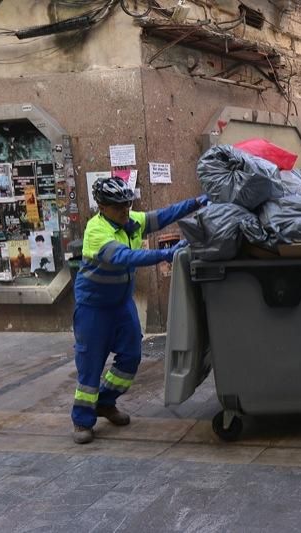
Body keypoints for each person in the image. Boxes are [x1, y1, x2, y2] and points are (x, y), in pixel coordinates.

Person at [71, 176, 208, 444]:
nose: (125, 210)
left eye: (127, 204)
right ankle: (82, 420)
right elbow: (124, 257)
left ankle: (105, 402)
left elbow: (164, 215)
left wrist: (196, 202)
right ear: (101, 206)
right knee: (90, 365)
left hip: (121, 304)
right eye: (118, 206)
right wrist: (164, 254)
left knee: (131, 357)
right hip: (93, 307)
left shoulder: (130, 221)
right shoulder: (96, 231)